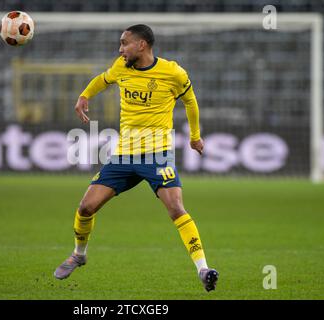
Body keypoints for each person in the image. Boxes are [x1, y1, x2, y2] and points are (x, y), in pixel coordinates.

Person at [54, 24, 219, 292]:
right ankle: (78, 254)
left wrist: (195, 136)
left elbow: (190, 101)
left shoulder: (173, 72)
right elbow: (103, 79)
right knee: (86, 207)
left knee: (176, 208)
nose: (120, 49)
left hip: (157, 155)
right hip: (124, 156)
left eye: (124, 43)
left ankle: (203, 269)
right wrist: (85, 95)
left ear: (141, 45)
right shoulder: (121, 66)